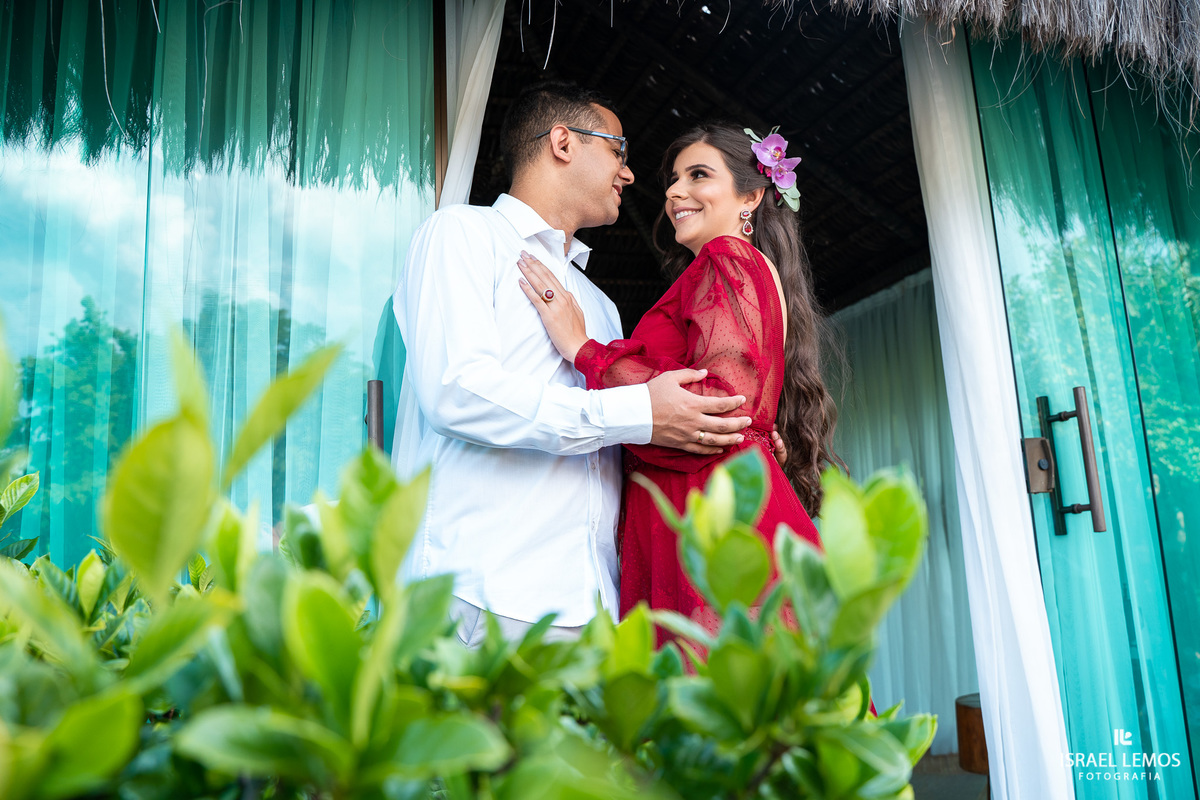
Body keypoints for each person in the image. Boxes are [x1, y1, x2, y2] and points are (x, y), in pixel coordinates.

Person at [392, 84, 754, 648]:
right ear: (562, 142)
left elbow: (643, 427)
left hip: (594, 611)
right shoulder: (460, 234)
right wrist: (636, 410)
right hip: (480, 596)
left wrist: (740, 429)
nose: (630, 176)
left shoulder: (599, 307)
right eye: (619, 151)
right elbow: (456, 392)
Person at [516, 122, 841, 630]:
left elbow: (715, 401)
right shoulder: (751, 269)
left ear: (751, 196)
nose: (673, 191)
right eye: (672, 178)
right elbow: (737, 401)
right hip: (717, 497)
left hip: (706, 508)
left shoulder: (726, 256)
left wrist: (585, 349)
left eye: (698, 175)